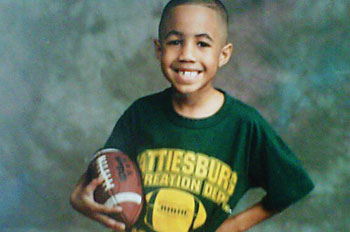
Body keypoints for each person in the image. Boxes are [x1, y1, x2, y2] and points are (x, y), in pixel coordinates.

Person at [70, 0, 314, 231]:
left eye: (202, 44)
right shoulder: (141, 114)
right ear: (158, 49)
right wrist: (80, 196)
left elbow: (292, 186)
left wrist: (234, 226)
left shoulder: (244, 125)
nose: (187, 54)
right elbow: (107, 163)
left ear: (224, 54)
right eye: (175, 41)